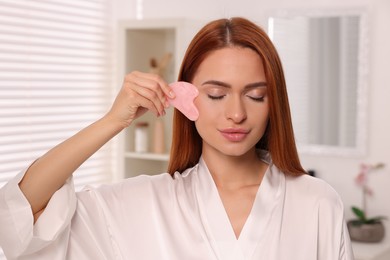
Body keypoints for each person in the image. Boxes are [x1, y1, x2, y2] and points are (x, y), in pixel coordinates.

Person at [0, 17, 353, 260]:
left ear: (274, 103)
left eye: (256, 96)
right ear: (185, 97)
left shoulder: (318, 203)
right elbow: (20, 214)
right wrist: (112, 121)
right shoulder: (141, 204)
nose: (236, 113)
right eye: (216, 95)